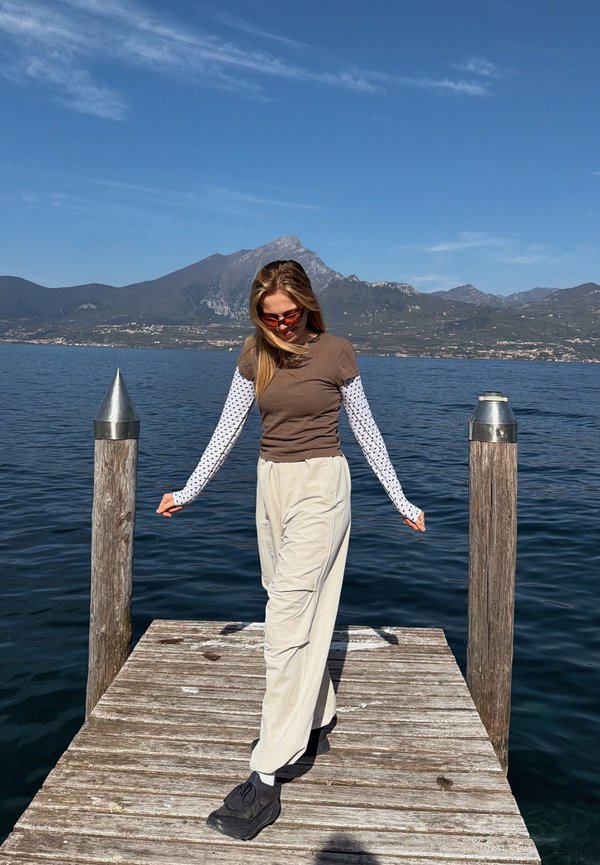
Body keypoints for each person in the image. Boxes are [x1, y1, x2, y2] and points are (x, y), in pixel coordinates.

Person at [156, 259, 425, 842]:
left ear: (307, 306)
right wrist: (189, 489)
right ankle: (320, 713)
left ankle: (267, 775)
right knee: (286, 603)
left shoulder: (335, 352)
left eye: (289, 313)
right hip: (270, 486)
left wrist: (401, 499)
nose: (280, 323)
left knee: (283, 627)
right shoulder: (255, 354)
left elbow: (367, 429)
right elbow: (227, 428)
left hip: (322, 487)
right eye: (269, 316)